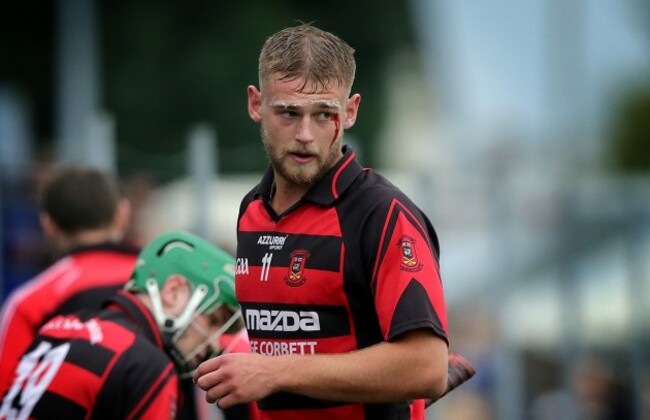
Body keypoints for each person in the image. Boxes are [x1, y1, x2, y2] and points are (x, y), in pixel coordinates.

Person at [193, 23, 450, 420]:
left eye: (323, 114)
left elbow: (428, 367)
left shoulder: (382, 214)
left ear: (350, 112)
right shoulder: (252, 210)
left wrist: (275, 372)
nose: (304, 134)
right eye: (288, 113)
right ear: (255, 104)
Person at [0, 230, 244, 419]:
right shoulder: (147, 366)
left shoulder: (59, 328)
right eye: (212, 320)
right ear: (173, 291)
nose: (214, 341)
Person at [0, 166, 137, 394]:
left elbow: (7, 397)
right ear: (122, 214)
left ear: (48, 225)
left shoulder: (30, 302)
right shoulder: (172, 283)